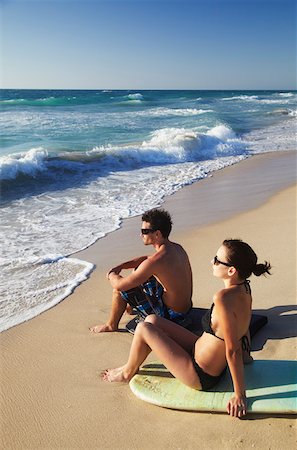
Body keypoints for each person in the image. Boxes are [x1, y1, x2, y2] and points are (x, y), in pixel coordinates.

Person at [101, 239, 271, 418]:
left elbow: (232, 349)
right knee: (152, 320)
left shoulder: (223, 298)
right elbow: (243, 327)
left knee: (143, 328)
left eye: (216, 259)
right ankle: (130, 366)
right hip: (199, 348)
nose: (211, 262)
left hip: (201, 374)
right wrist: (247, 357)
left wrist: (239, 395)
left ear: (231, 271)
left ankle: (128, 372)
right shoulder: (244, 288)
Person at [90, 208, 193, 333]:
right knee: (140, 271)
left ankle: (111, 325)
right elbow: (146, 259)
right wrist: (121, 266)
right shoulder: (176, 248)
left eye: (145, 231)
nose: (141, 235)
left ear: (157, 234)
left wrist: (112, 274)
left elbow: (119, 285)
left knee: (119, 289)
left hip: (172, 317)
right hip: (186, 311)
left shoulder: (155, 262)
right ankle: (129, 307)